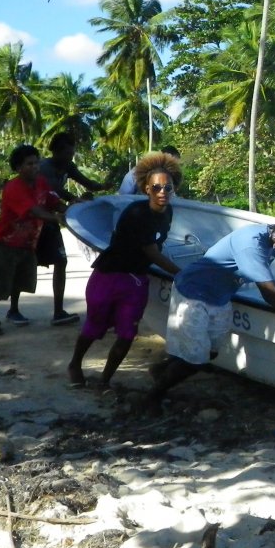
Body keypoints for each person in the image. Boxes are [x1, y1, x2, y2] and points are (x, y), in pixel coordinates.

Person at [143, 212, 275, 412]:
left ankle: (161, 369)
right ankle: (153, 397)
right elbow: (271, 295)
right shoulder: (251, 246)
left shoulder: (272, 237)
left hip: (220, 295)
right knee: (196, 360)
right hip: (193, 292)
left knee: (210, 351)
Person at [66, 152, 183, 389]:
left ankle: (105, 379)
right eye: (157, 187)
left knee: (127, 333)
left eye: (167, 187)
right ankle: (75, 364)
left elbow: (157, 245)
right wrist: (182, 273)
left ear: (173, 188)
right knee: (94, 327)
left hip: (136, 279)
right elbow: (151, 251)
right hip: (108, 275)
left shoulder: (168, 213)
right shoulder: (137, 213)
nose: (162, 192)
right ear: (146, 189)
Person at [7, 132, 110, 327]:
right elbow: (55, 193)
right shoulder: (43, 168)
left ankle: (58, 310)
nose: (70, 158)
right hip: (34, 222)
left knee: (61, 261)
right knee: (24, 264)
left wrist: (102, 185)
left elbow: (86, 183)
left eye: (72, 154)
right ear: (56, 152)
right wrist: (72, 202)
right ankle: (13, 309)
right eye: (67, 154)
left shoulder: (68, 166)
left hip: (52, 221)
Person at [0, 144, 64, 336]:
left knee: (11, 285)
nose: (35, 167)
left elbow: (54, 201)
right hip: (3, 244)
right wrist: (57, 218)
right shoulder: (14, 188)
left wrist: (72, 208)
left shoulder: (41, 183)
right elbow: (33, 210)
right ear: (18, 168)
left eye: (36, 162)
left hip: (26, 245)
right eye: (29, 164)